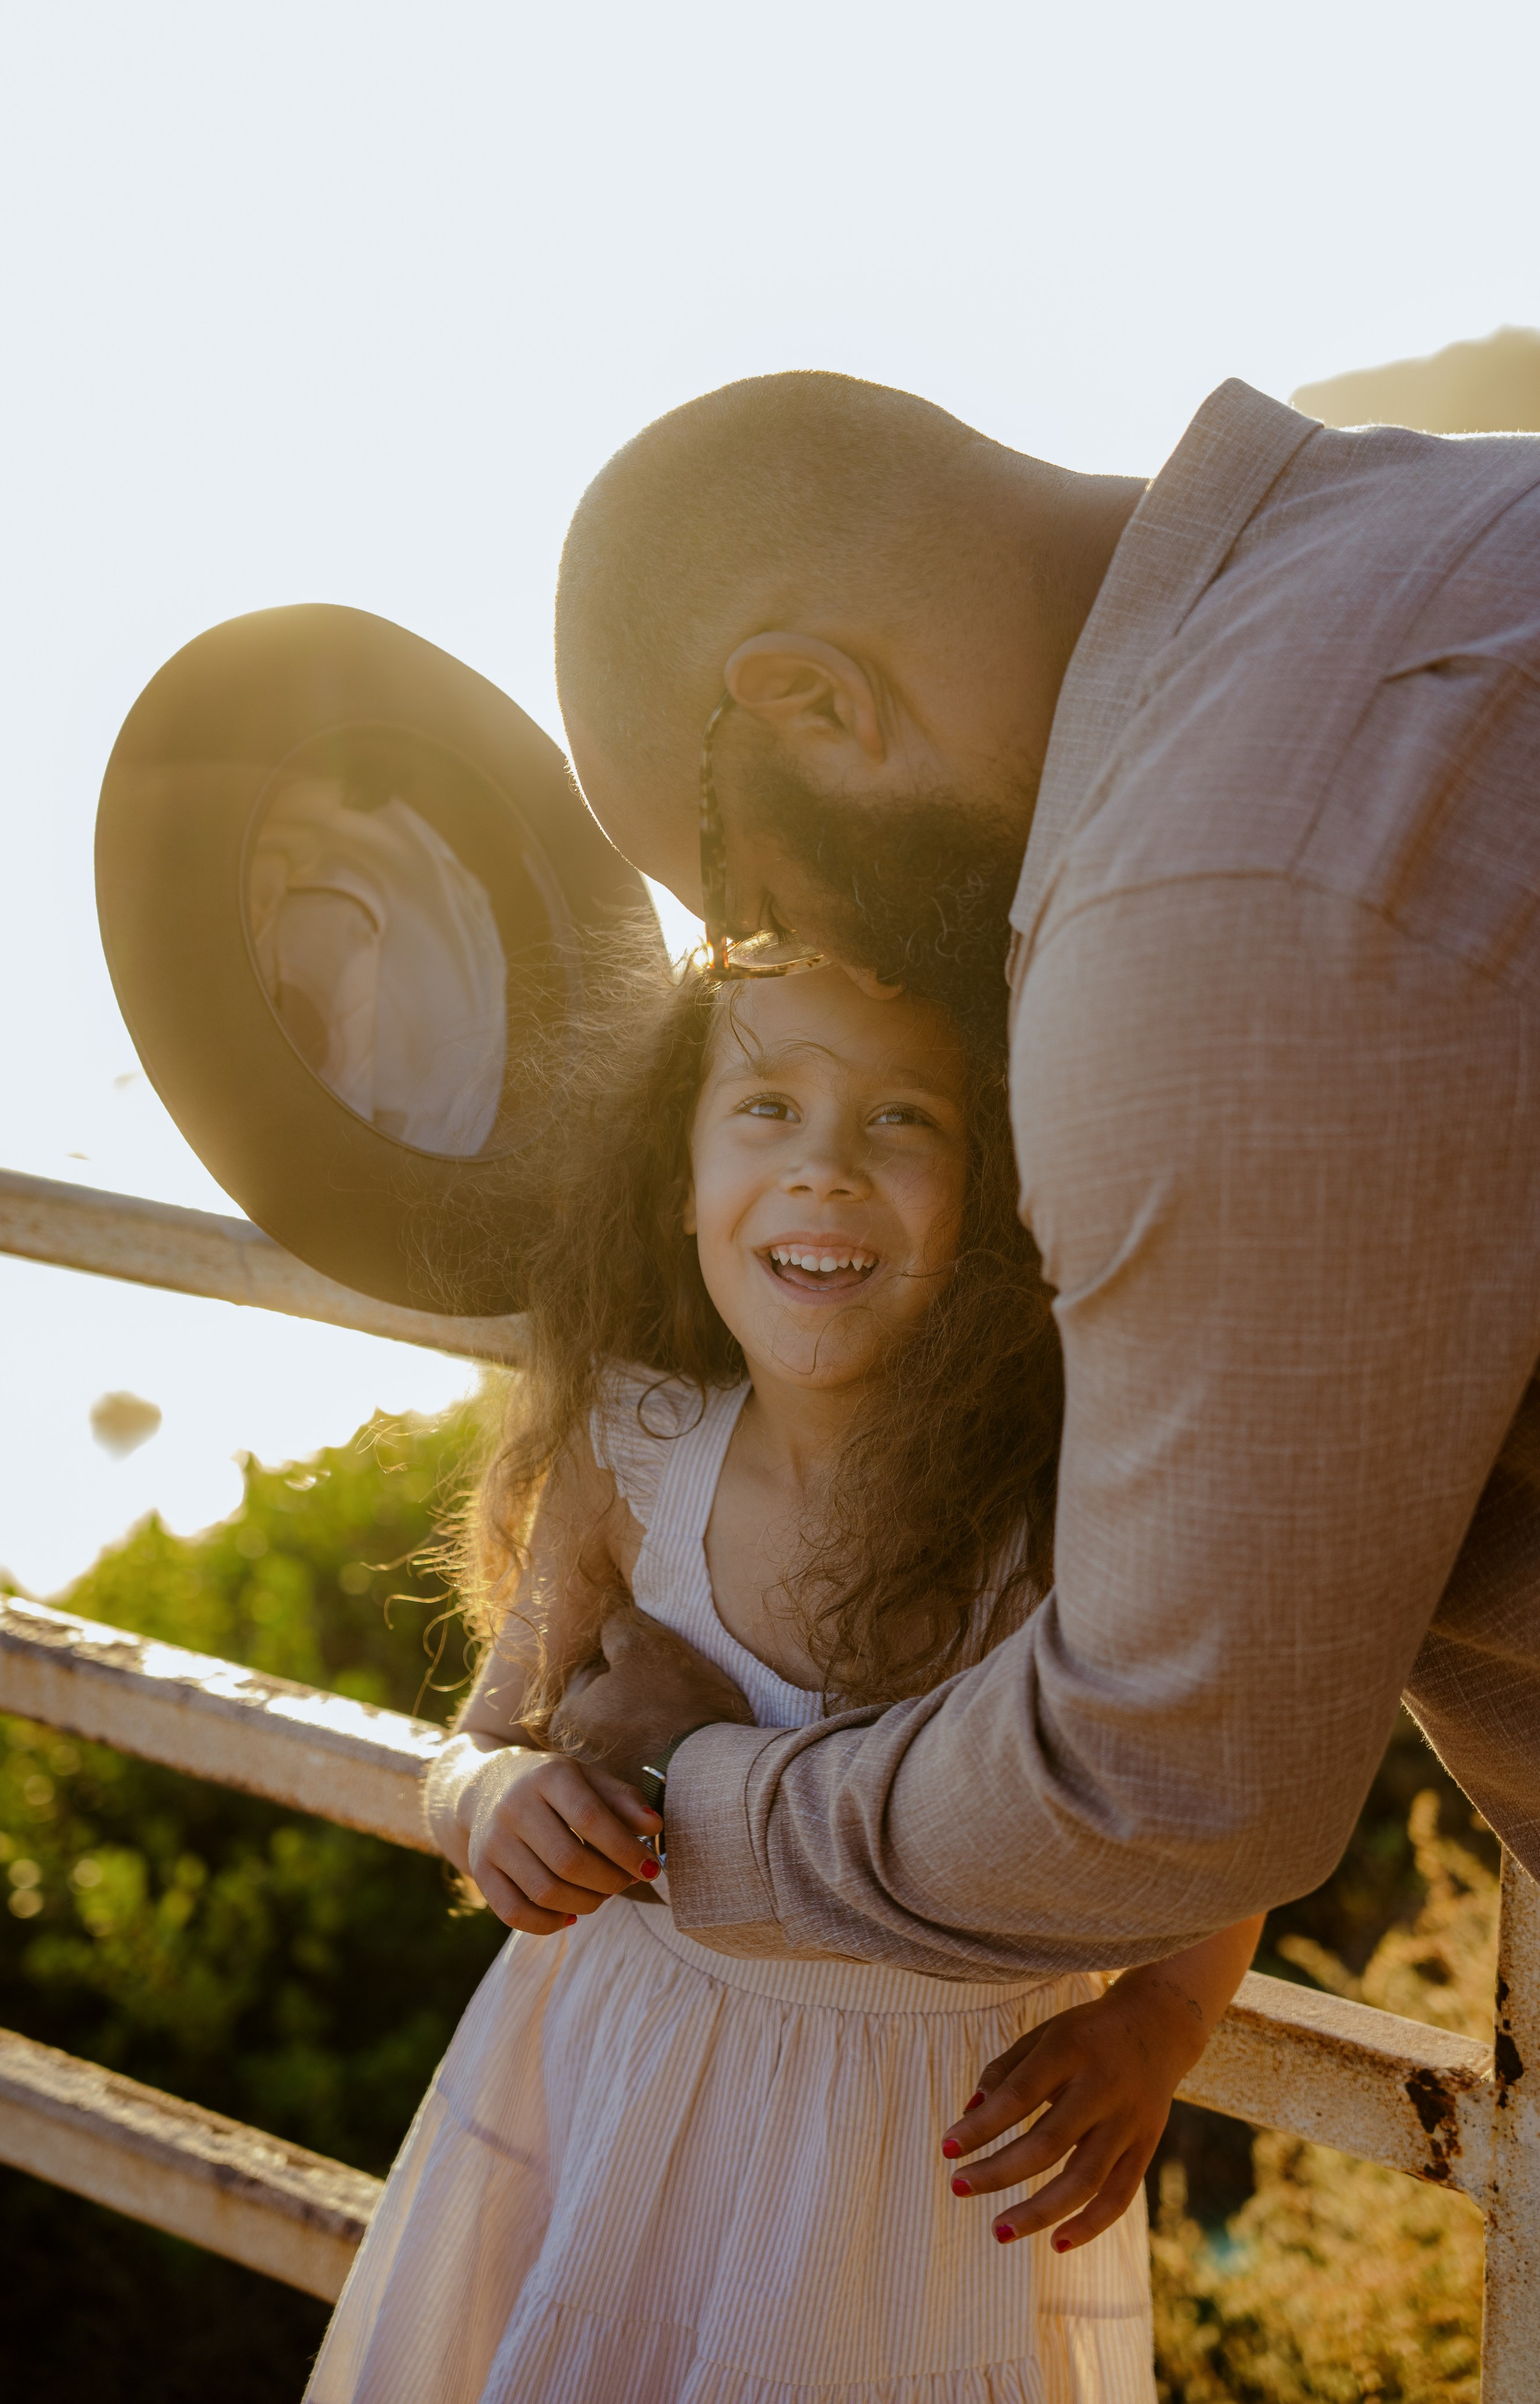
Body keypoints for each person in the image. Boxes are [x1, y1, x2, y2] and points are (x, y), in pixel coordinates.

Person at [541, 367, 1540, 2003]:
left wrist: (702, 1799)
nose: (837, 962)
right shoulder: (1455, 516)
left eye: (762, 901)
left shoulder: (1199, 909)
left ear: (813, 702)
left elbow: (1166, 1783)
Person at [307, 952, 1260, 2403]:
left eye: (901, 1122)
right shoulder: (631, 1450)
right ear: (679, 1181)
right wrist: (495, 1800)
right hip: (620, 2093)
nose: (824, 1168)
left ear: (992, 1190)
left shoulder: (1058, 1514)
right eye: (764, 1107)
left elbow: (1213, 1801)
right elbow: (474, 1741)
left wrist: (1161, 2018)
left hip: (926, 2160)